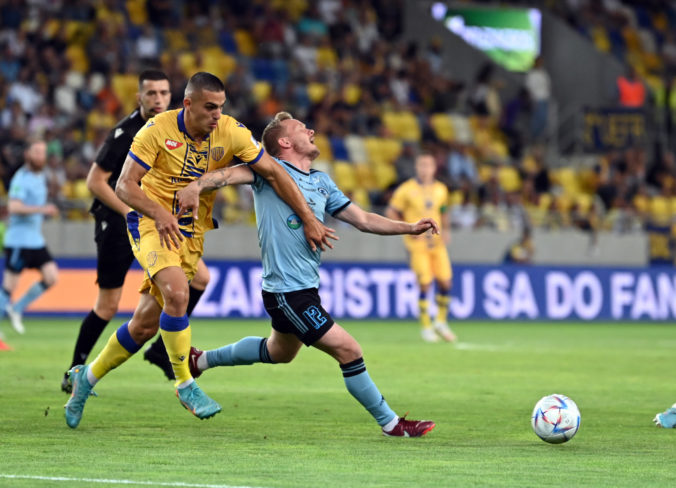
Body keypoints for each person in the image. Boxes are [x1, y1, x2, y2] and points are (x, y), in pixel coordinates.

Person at [63, 72, 335, 429]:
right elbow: (124, 186)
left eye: (221, 107)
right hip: (151, 222)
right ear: (188, 104)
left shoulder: (231, 131)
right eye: (209, 107)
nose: (217, 115)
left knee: (144, 325)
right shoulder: (155, 130)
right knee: (178, 293)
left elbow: (273, 172)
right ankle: (184, 384)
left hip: (190, 232)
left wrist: (310, 219)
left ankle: (86, 378)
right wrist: (160, 213)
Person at [179, 111, 437, 437]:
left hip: (304, 288)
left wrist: (409, 228)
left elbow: (363, 219)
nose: (312, 130)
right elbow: (226, 175)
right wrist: (196, 186)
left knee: (279, 352)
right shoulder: (267, 171)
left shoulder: (321, 181)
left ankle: (200, 361)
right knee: (349, 350)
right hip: (286, 292)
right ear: (285, 142)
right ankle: (391, 423)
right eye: (302, 128)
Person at [60, 70, 210, 393]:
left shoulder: (173, 128)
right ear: (138, 97)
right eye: (151, 93)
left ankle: (160, 350)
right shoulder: (124, 133)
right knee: (108, 306)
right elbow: (95, 181)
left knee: (200, 278)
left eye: (163, 93)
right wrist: (130, 211)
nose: (158, 99)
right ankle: (73, 372)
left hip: (153, 222)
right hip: (117, 224)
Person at [385, 153, 456, 343]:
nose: (425, 169)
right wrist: (406, 229)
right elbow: (392, 210)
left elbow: (443, 210)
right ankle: (426, 326)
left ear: (434, 168)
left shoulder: (441, 189)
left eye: (428, 165)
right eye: (421, 165)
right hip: (417, 245)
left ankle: (440, 321)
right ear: (416, 167)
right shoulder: (406, 189)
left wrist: (446, 230)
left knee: (446, 282)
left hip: (437, 244)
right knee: (425, 283)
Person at [0, 139, 59, 334]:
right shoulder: (21, 178)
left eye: (43, 152)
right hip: (19, 240)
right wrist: (42, 209)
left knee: (51, 276)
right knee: (9, 286)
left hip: (35, 240)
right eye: (37, 152)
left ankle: (17, 308)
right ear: (28, 154)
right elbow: (13, 207)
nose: (41, 156)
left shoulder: (40, 176)